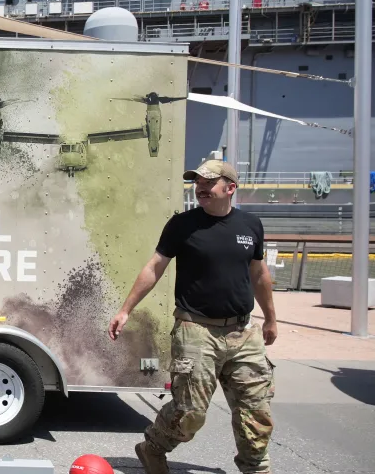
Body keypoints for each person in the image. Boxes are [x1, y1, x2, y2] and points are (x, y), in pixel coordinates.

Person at [107, 160, 277, 474]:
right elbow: (154, 268)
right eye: (196, 182)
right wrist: (125, 309)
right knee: (190, 413)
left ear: (230, 187)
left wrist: (270, 318)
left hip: (243, 331)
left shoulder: (251, 225)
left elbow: (259, 273)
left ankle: (256, 468)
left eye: (208, 182)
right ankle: (153, 447)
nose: (200, 187)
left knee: (256, 411)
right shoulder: (182, 225)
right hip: (195, 329)